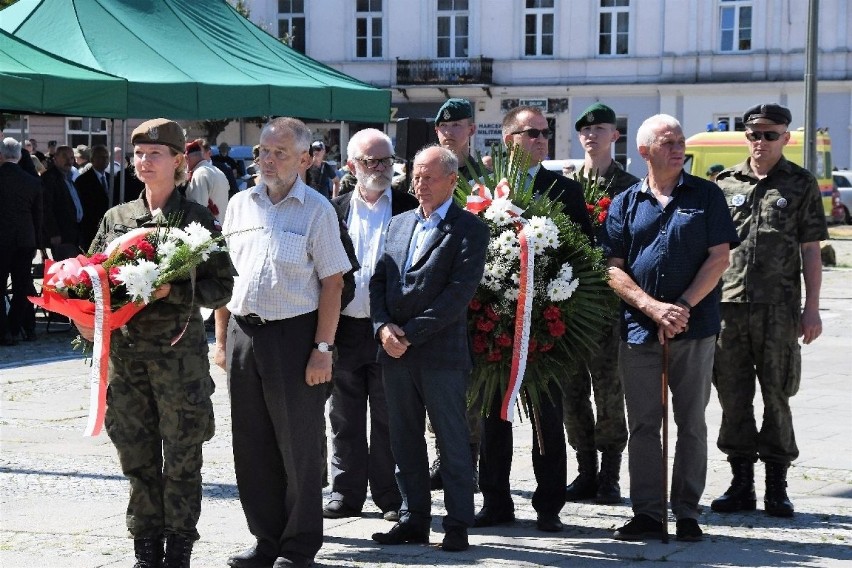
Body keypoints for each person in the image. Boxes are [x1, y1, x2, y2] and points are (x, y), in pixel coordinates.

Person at [81, 118, 234, 568]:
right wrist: (85, 321)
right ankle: (145, 547)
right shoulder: (117, 219)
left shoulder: (196, 220)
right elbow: (89, 280)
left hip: (178, 363)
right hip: (127, 363)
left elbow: (222, 286)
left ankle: (179, 546)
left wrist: (177, 291)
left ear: (177, 162)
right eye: (139, 155)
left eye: (155, 155)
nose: (144, 163)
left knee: (183, 456)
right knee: (136, 455)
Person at [215, 117, 352, 568]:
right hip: (242, 334)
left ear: (305, 159)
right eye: (262, 152)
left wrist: (323, 349)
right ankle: (265, 539)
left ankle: (298, 546)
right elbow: (224, 279)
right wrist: (220, 340)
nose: (267, 161)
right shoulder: (239, 204)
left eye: (279, 153)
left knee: (297, 447)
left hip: (295, 336)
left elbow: (333, 284)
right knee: (250, 444)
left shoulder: (317, 209)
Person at [600, 114, 739, 542]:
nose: (678, 147)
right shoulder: (626, 202)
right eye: (668, 142)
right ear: (644, 152)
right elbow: (612, 268)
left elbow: (720, 258)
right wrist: (650, 307)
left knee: (692, 423)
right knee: (643, 424)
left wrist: (679, 307)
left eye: (680, 140)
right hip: (640, 332)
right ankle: (647, 513)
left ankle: (687, 512)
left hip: (694, 330)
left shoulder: (707, 195)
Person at [474, 105, 593, 534]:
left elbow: (584, 256)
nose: (542, 139)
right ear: (510, 141)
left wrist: (557, 306)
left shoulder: (564, 189)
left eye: (545, 132)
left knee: (548, 413)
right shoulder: (486, 190)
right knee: (494, 412)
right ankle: (495, 501)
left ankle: (549, 506)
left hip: (547, 322)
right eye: (532, 133)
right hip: (496, 321)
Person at [369, 145, 489, 552]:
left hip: (440, 354)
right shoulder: (398, 223)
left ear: (453, 181)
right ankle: (413, 517)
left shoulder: (470, 228)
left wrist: (409, 335)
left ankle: (457, 523)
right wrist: (383, 327)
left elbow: (457, 296)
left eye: (429, 177)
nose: (419, 184)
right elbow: (379, 281)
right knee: (403, 438)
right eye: (416, 176)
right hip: (395, 353)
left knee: (452, 441)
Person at [711, 103, 828, 518]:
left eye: (770, 135)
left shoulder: (800, 183)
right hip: (728, 308)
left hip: (779, 311)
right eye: (754, 135)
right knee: (732, 397)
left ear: (786, 137)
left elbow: (811, 250)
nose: (760, 142)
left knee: (777, 395)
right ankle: (740, 482)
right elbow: (714, 250)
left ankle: (777, 484)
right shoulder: (724, 184)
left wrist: (811, 309)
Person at [323, 128, 417, 523]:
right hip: (344, 325)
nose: (379, 168)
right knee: (342, 415)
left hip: (390, 328)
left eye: (386, 161)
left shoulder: (410, 207)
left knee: (390, 414)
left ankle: (389, 495)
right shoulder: (334, 208)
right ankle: (345, 492)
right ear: (351, 166)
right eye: (370, 161)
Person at [561, 103, 638, 505]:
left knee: (609, 391)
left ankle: (610, 473)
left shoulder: (630, 186)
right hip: (571, 307)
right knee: (571, 392)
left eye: (600, 129)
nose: (592, 136)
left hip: (610, 308)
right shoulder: (566, 184)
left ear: (615, 135)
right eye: (585, 131)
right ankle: (585, 469)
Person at [428, 97, 484, 493]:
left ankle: (470, 459)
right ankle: (440, 457)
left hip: (476, 293)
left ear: (472, 130)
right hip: (432, 293)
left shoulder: (486, 177)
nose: (450, 132)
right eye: (444, 127)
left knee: (472, 385)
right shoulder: (425, 173)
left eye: (458, 126)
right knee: (436, 381)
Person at [0, 137, 42, 345]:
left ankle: (4, 330)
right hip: (26, 239)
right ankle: (15, 327)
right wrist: (37, 243)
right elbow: (38, 216)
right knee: (22, 287)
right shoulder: (32, 181)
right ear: (19, 155)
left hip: (2, 241)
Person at [41, 145, 82, 260]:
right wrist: (53, 233)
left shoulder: (69, 178)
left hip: (74, 233)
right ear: (55, 158)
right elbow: (46, 208)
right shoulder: (50, 178)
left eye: (71, 158)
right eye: (64, 157)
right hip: (61, 234)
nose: (69, 161)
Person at [434, 97, 484, 181]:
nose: (448, 132)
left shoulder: (484, 178)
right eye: (443, 125)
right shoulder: (427, 175)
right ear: (436, 131)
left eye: (456, 125)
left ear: (471, 130)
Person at [74, 144, 111, 251]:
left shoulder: (111, 178)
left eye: (106, 157)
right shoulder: (82, 180)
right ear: (92, 159)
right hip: (91, 229)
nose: (104, 160)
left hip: (109, 227)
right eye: (100, 157)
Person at [184, 139, 229, 223]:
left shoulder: (199, 174)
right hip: (220, 227)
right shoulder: (217, 171)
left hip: (207, 231)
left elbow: (197, 210)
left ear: (186, 158)